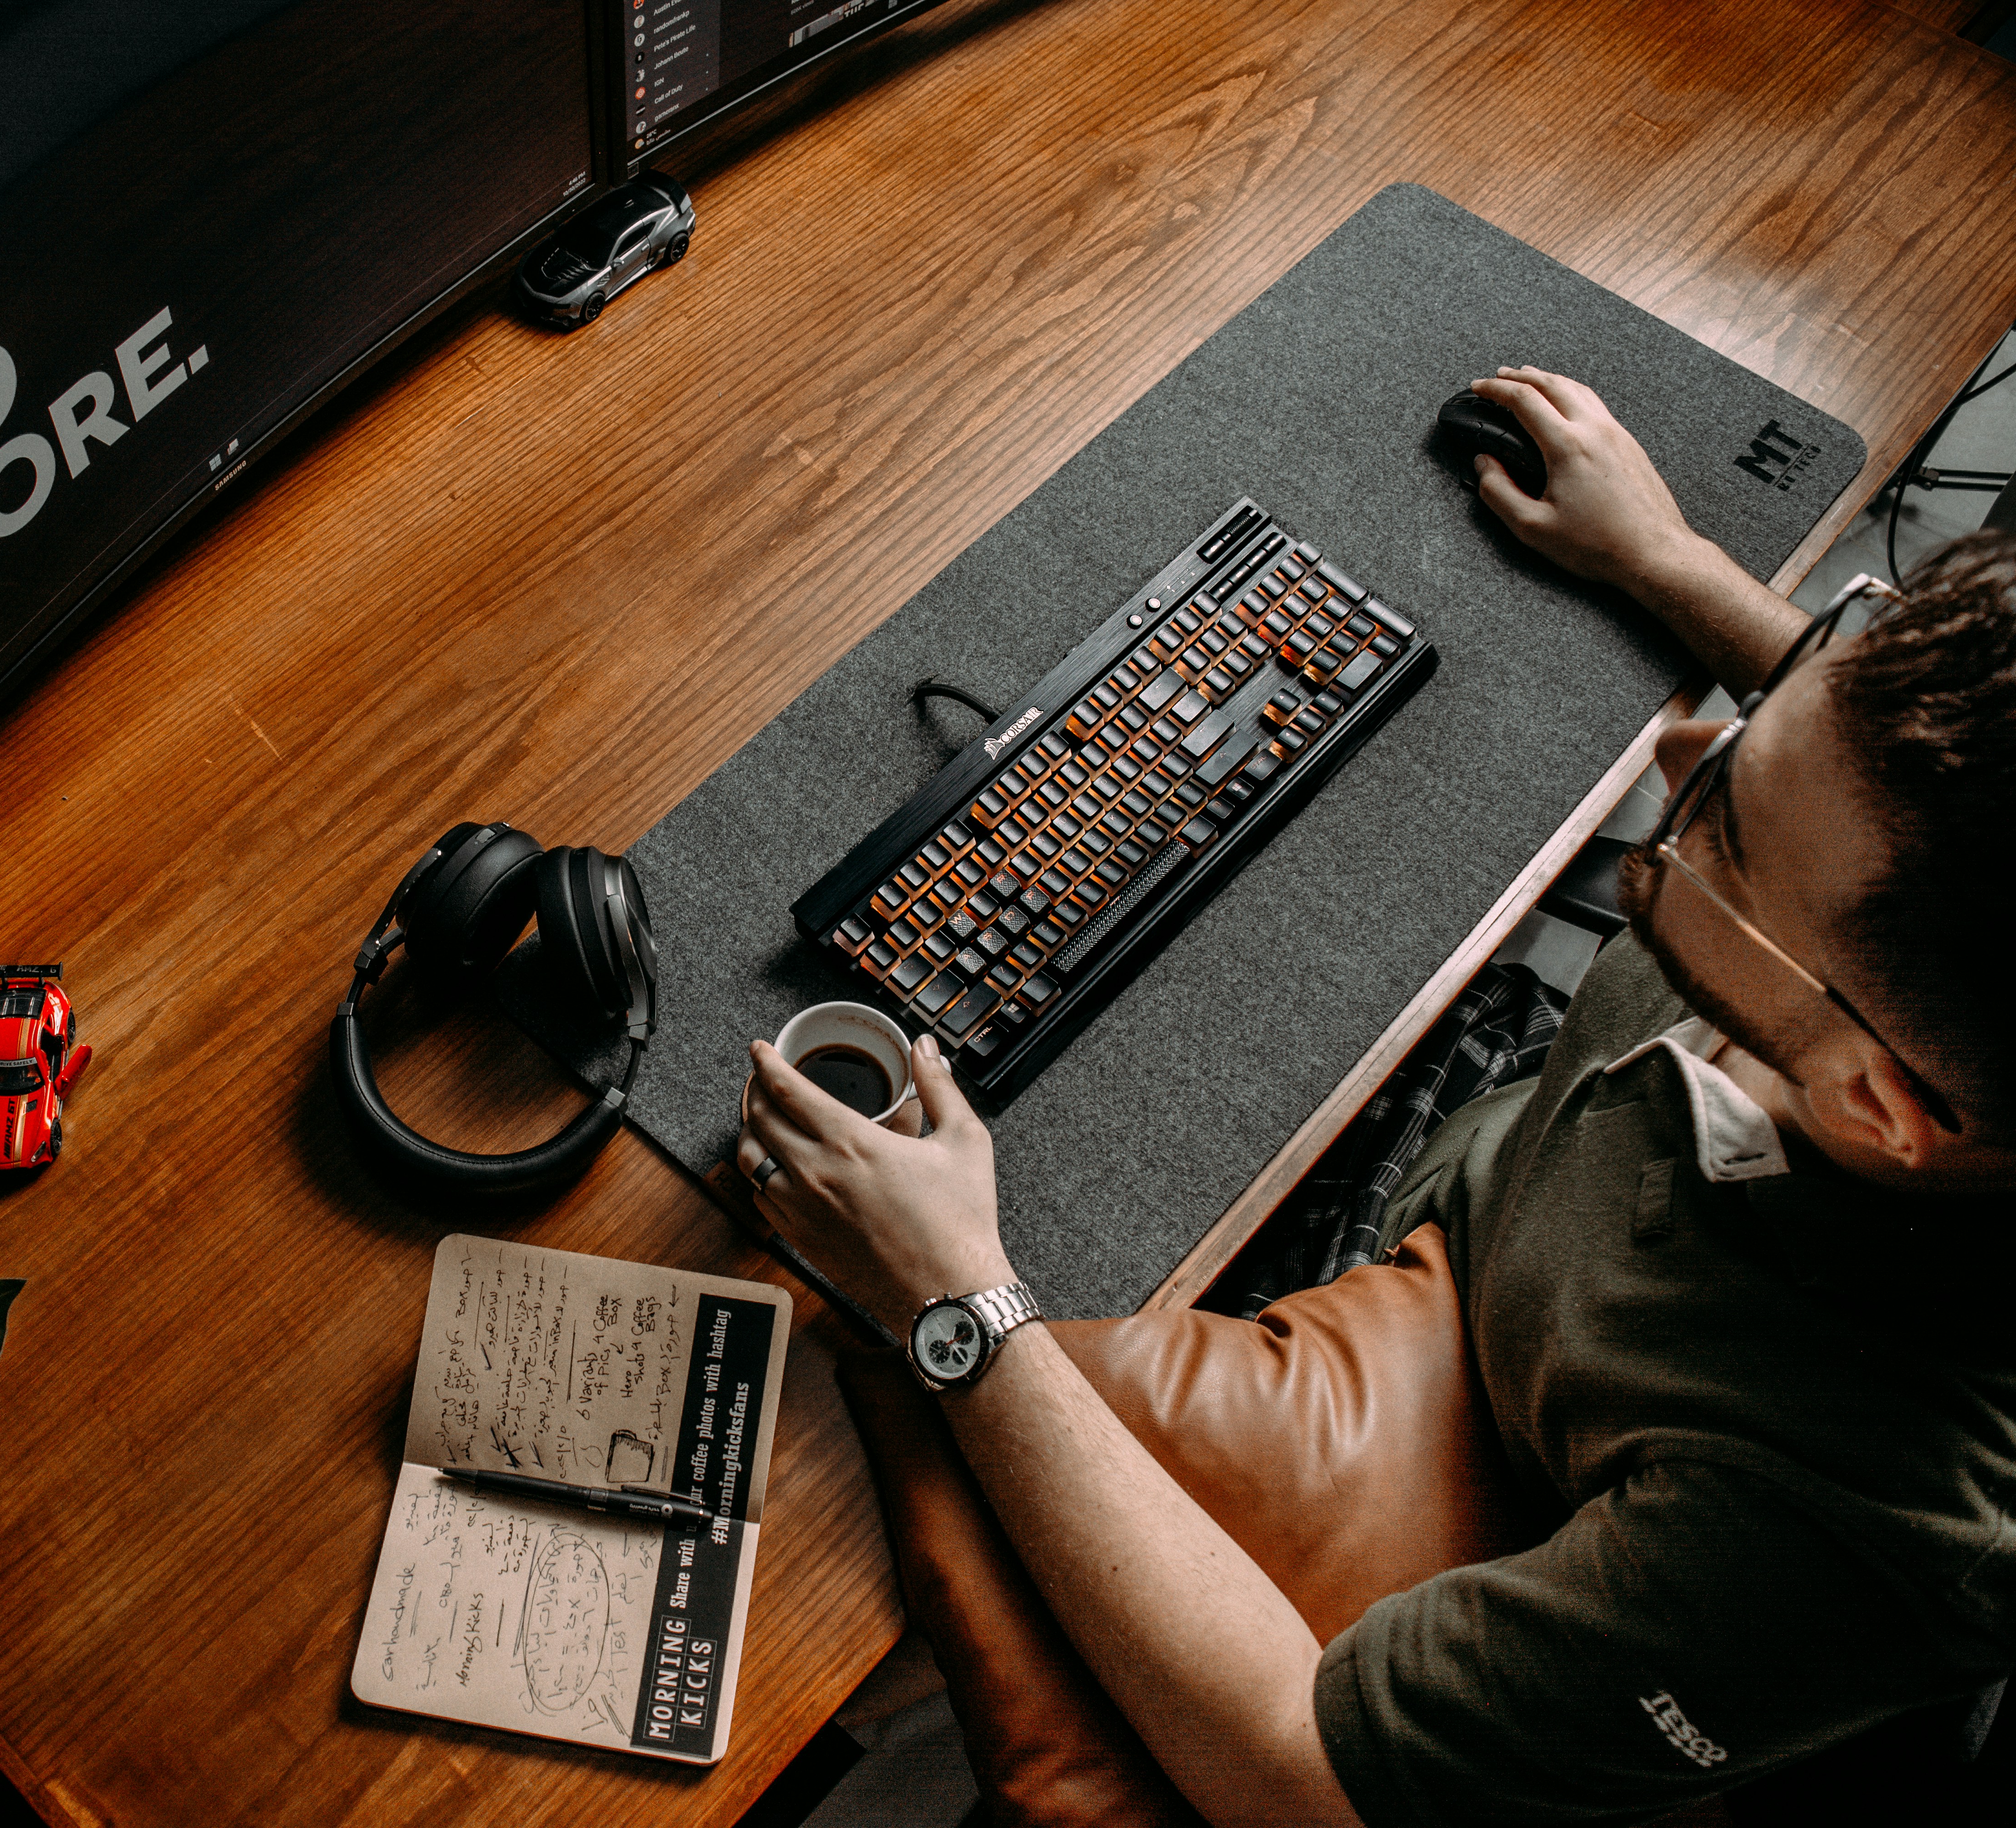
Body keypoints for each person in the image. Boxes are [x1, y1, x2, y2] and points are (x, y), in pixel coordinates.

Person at [734, 367, 2016, 1826]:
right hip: (1512, 1188)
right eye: (1771, 702)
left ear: (1879, 1108)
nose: (1677, 753)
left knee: (815, 1476)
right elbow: (1884, 795)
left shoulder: (1854, 1538)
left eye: (1712, 825)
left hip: (1516, 1435)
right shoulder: (1936, 991)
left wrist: (957, 1294)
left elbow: (1299, 1770)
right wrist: (1672, 565)